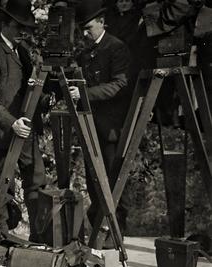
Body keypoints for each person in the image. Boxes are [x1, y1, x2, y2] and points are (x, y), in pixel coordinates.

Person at [0, 0, 47, 240]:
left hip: (26, 130)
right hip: (5, 133)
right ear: (5, 25)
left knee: (36, 182)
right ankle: (2, 238)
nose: (23, 33)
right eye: (18, 27)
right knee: (2, 188)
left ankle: (39, 238)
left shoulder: (23, 50)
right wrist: (12, 123)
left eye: (26, 28)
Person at [72, 0, 131, 237]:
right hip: (90, 126)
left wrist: (85, 93)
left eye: (89, 28)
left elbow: (120, 84)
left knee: (112, 178)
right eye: (83, 30)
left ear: (102, 22)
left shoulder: (116, 48)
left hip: (110, 127)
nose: (85, 34)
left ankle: (117, 231)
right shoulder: (86, 53)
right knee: (92, 178)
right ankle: (98, 229)